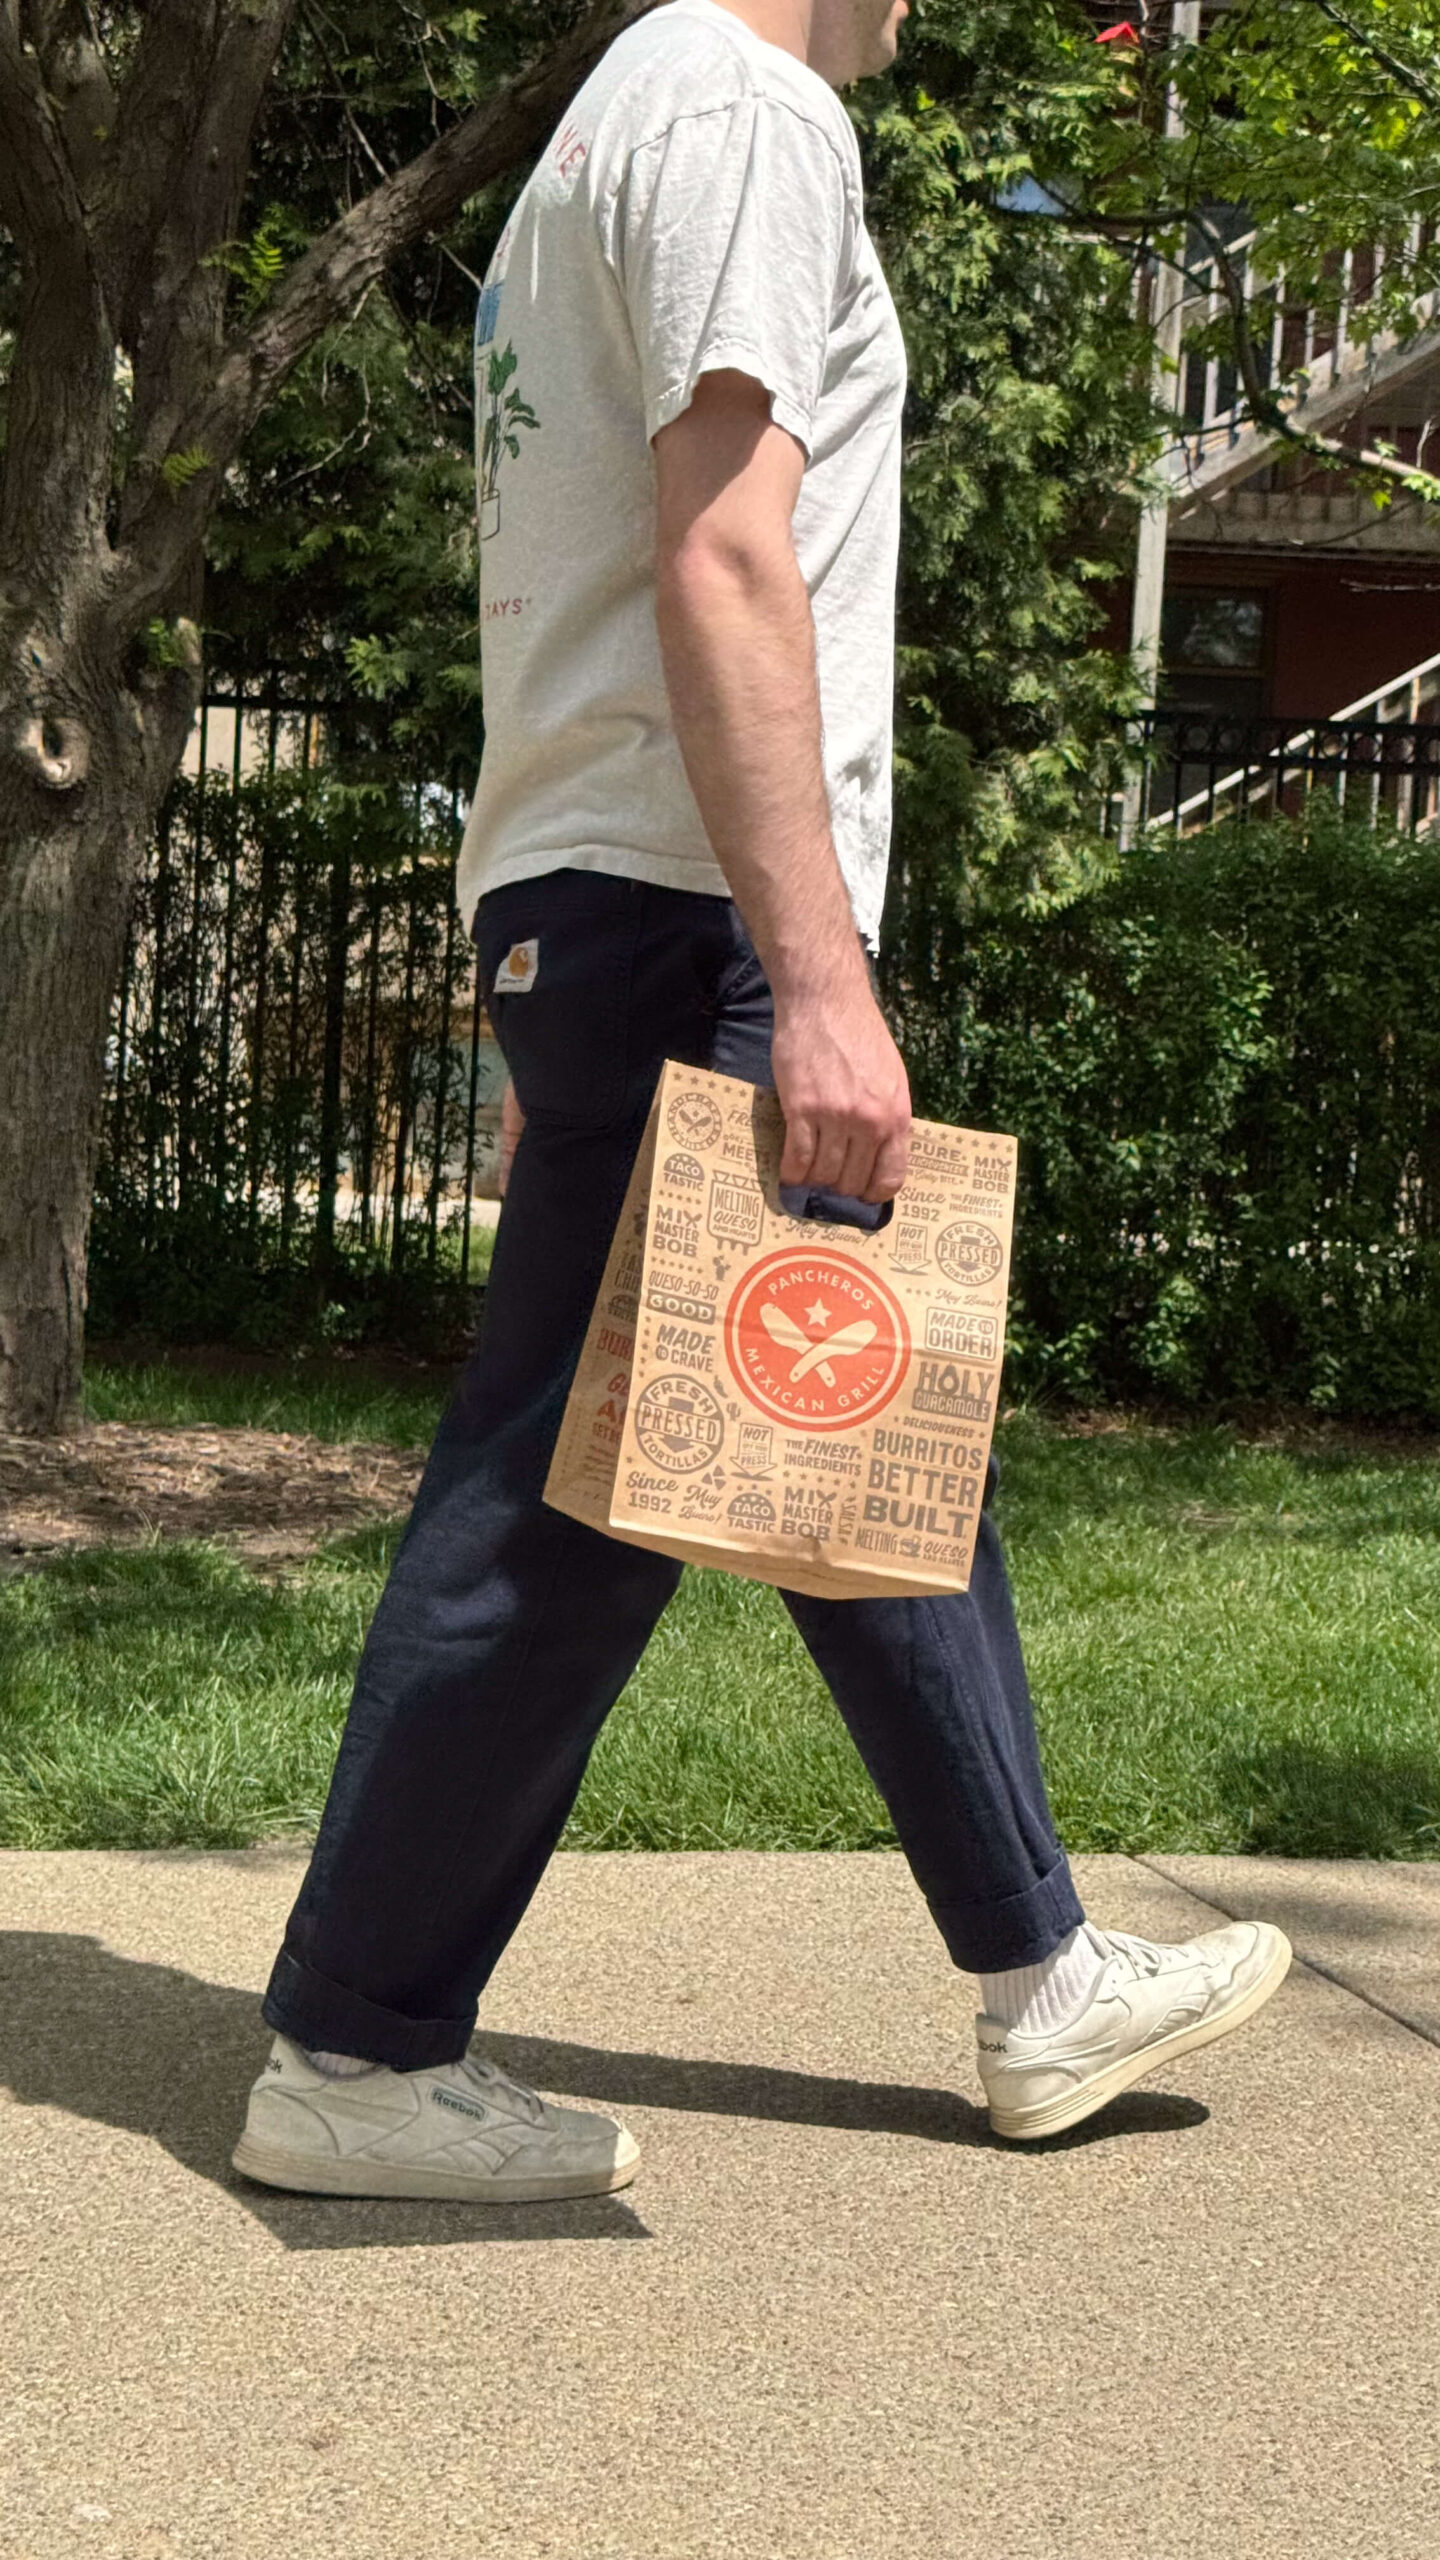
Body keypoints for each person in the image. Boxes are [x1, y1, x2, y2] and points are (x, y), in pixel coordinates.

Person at [233, 0, 1289, 2198]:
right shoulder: (746, 108)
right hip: (689, 896)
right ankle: (353, 2042)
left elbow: (575, 582)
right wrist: (815, 972)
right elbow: (721, 554)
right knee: (573, 1491)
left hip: (605, 877)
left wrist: (554, 975)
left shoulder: (602, 136)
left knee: (847, 1421)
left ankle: (1037, 1967)